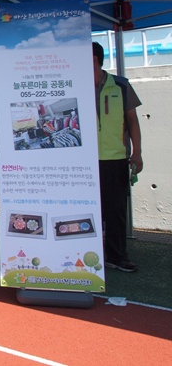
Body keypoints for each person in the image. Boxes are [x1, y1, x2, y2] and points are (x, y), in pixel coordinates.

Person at [93, 42, 142, 273]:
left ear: (94, 59)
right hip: (84, 161)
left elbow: (132, 120)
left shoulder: (121, 85)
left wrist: (137, 153)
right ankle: (89, 255)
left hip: (115, 158)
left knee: (116, 211)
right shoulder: (74, 85)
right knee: (90, 209)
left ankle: (116, 256)